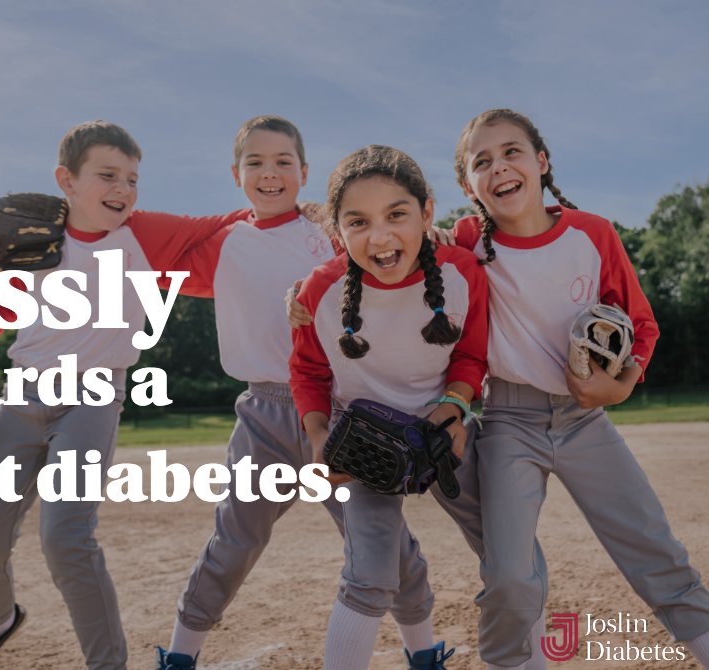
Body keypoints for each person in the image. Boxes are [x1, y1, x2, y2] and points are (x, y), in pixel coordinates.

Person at [0, 120, 228, 670]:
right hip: (23, 396)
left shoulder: (145, 233)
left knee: (66, 538)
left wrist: (317, 217)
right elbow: (4, 309)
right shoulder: (35, 240)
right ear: (67, 180)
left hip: (93, 397)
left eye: (131, 178)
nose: (123, 189)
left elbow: (229, 223)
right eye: (107, 175)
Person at [142, 117, 439, 670]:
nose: (270, 173)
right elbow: (139, 251)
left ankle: (424, 652)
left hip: (340, 408)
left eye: (283, 162)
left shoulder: (329, 231)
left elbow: (389, 257)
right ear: (236, 174)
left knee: (385, 541)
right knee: (233, 542)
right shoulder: (222, 244)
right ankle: (180, 656)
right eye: (255, 162)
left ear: (304, 173)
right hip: (262, 413)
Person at [448, 107, 709, 668]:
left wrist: (619, 388)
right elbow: (384, 251)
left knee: (653, 549)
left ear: (541, 162)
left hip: (584, 418)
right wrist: (308, 286)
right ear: (468, 184)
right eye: (481, 162)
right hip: (508, 422)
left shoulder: (592, 233)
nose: (499, 168)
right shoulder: (467, 241)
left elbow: (642, 324)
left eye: (512, 152)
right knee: (509, 575)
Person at [289, 145, 487, 670]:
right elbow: (308, 372)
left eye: (397, 214)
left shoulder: (463, 272)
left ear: (426, 212)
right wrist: (316, 439)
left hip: (442, 431)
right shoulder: (321, 290)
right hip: (363, 448)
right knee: (371, 575)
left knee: (507, 557)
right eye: (358, 222)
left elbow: (471, 353)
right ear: (338, 231)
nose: (379, 237)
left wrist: (456, 404)